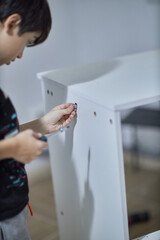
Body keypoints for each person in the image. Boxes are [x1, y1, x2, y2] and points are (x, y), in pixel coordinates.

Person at [0, 0, 77, 239]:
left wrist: (42, 125)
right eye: (28, 41)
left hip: (10, 209)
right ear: (12, 23)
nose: (22, 54)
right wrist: (14, 147)